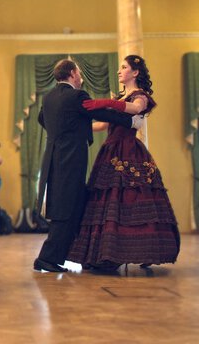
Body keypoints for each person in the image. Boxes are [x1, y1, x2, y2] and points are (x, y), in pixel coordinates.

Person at [68, 55, 180, 269]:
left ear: (135, 72)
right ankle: (104, 254)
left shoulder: (140, 96)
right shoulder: (121, 96)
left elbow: (137, 108)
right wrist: (76, 127)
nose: (119, 71)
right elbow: (102, 125)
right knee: (107, 200)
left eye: (124, 67)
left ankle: (127, 252)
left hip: (129, 150)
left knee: (129, 198)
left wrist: (109, 103)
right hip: (110, 149)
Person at [33, 59, 142, 273]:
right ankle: (46, 258)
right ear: (73, 73)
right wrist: (130, 122)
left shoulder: (49, 97)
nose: (81, 77)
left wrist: (61, 132)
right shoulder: (76, 96)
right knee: (66, 209)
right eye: (80, 73)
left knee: (76, 205)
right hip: (70, 159)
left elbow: (41, 118)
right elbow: (100, 113)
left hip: (54, 158)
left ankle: (80, 254)